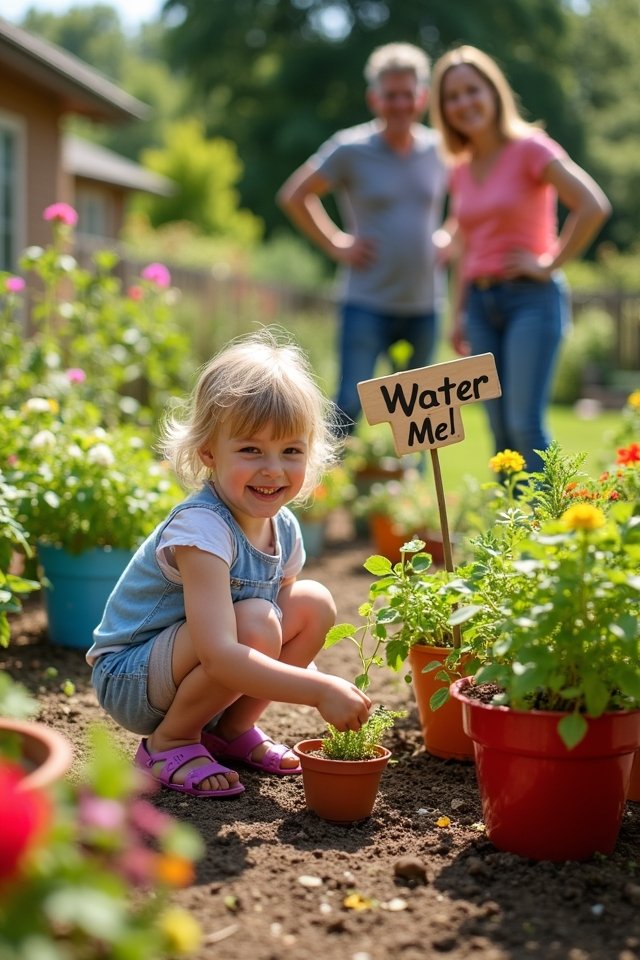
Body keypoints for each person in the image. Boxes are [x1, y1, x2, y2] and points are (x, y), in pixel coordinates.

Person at [87, 329, 371, 798]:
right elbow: (223, 651)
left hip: (194, 670)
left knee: (312, 603)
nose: (273, 469)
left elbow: (284, 631)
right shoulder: (202, 529)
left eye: (291, 451)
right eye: (250, 449)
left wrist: (320, 681)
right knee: (257, 622)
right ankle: (169, 743)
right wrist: (317, 692)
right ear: (208, 453)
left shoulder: (284, 529)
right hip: (131, 678)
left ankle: (229, 732)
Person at [429, 45, 611, 474]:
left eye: (472, 90)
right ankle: (512, 534)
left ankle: (555, 530)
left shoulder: (531, 148)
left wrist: (549, 263)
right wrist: (457, 316)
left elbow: (592, 205)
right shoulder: (460, 166)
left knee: (524, 425)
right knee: (497, 430)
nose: (463, 103)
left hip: (531, 300)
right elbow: (466, 245)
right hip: (480, 305)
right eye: (451, 97)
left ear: (494, 93)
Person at [277, 42, 448, 435]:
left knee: (420, 417)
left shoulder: (440, 150)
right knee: (348, 406)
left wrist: (450, 236)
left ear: (421, 97)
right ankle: (332, 490)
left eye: (408, 95)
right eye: (391, 96)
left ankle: (412, 494)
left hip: (424, 303)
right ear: (375, 98)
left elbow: (472, 199)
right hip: (365, 302)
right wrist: (336, 242)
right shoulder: (349, 148)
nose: (400, 104)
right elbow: (294, 195)